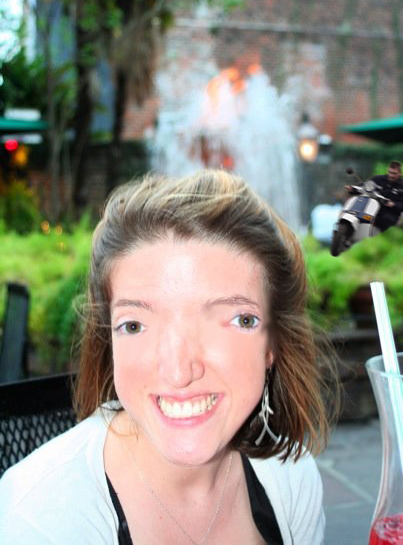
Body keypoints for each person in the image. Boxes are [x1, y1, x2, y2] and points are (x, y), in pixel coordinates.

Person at [0, 170, 338, 544]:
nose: (179, 372)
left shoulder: (289, 476)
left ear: (272, 343)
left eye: (237, 319)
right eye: (134, 325)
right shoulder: (42, 522)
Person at [345, 161, 403, 232]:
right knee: (358, 212)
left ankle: (379, 235)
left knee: (385, 219)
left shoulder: (401, 186)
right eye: (390, 172)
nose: (391, 175)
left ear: (400, 173)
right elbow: (366, 186)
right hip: (373, 207)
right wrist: (353, 189)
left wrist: (394, 204)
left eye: (394, 173)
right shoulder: (378, 179)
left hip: (389, 212)